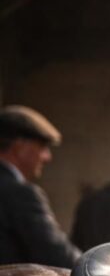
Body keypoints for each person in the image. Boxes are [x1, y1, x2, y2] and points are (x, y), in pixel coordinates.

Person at [0, 105, 80, 267]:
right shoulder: (21, 194)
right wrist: (94, 266)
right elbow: (59, 256)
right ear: (20, 147)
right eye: (42, 147)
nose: (47, 157)